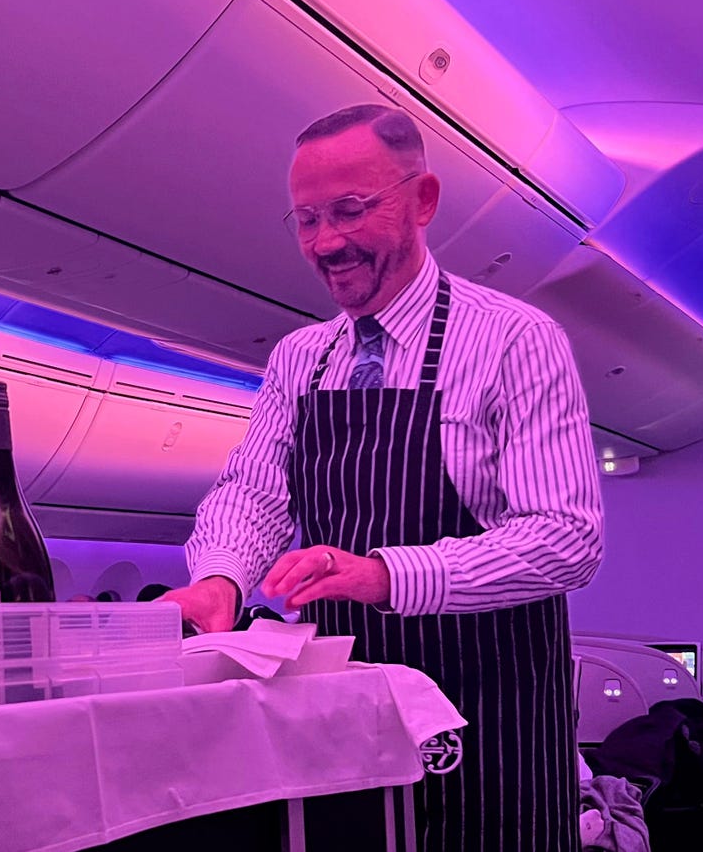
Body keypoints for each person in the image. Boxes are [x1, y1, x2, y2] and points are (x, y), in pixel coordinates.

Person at [162, 104, 604, 851]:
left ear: (422, 200)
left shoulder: (514, 341)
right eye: (306, 219)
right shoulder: (301, 358)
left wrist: (385, 574)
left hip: (494, 729)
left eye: (350, 210)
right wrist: (222, 579)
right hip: (345, 735)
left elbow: (567, 539)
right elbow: (254, 492)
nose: (326, 241)